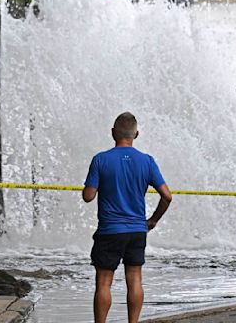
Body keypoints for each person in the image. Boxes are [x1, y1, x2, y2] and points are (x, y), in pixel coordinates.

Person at [82, 112, 172, 323]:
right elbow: (167, 196)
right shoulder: (147, 161)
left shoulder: (101, 159)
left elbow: (88, 196)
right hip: (137, 230)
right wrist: (153, 220)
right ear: (136, 134)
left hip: (110, 231)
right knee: (135, 280)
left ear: (113, 133)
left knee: (104, 283)